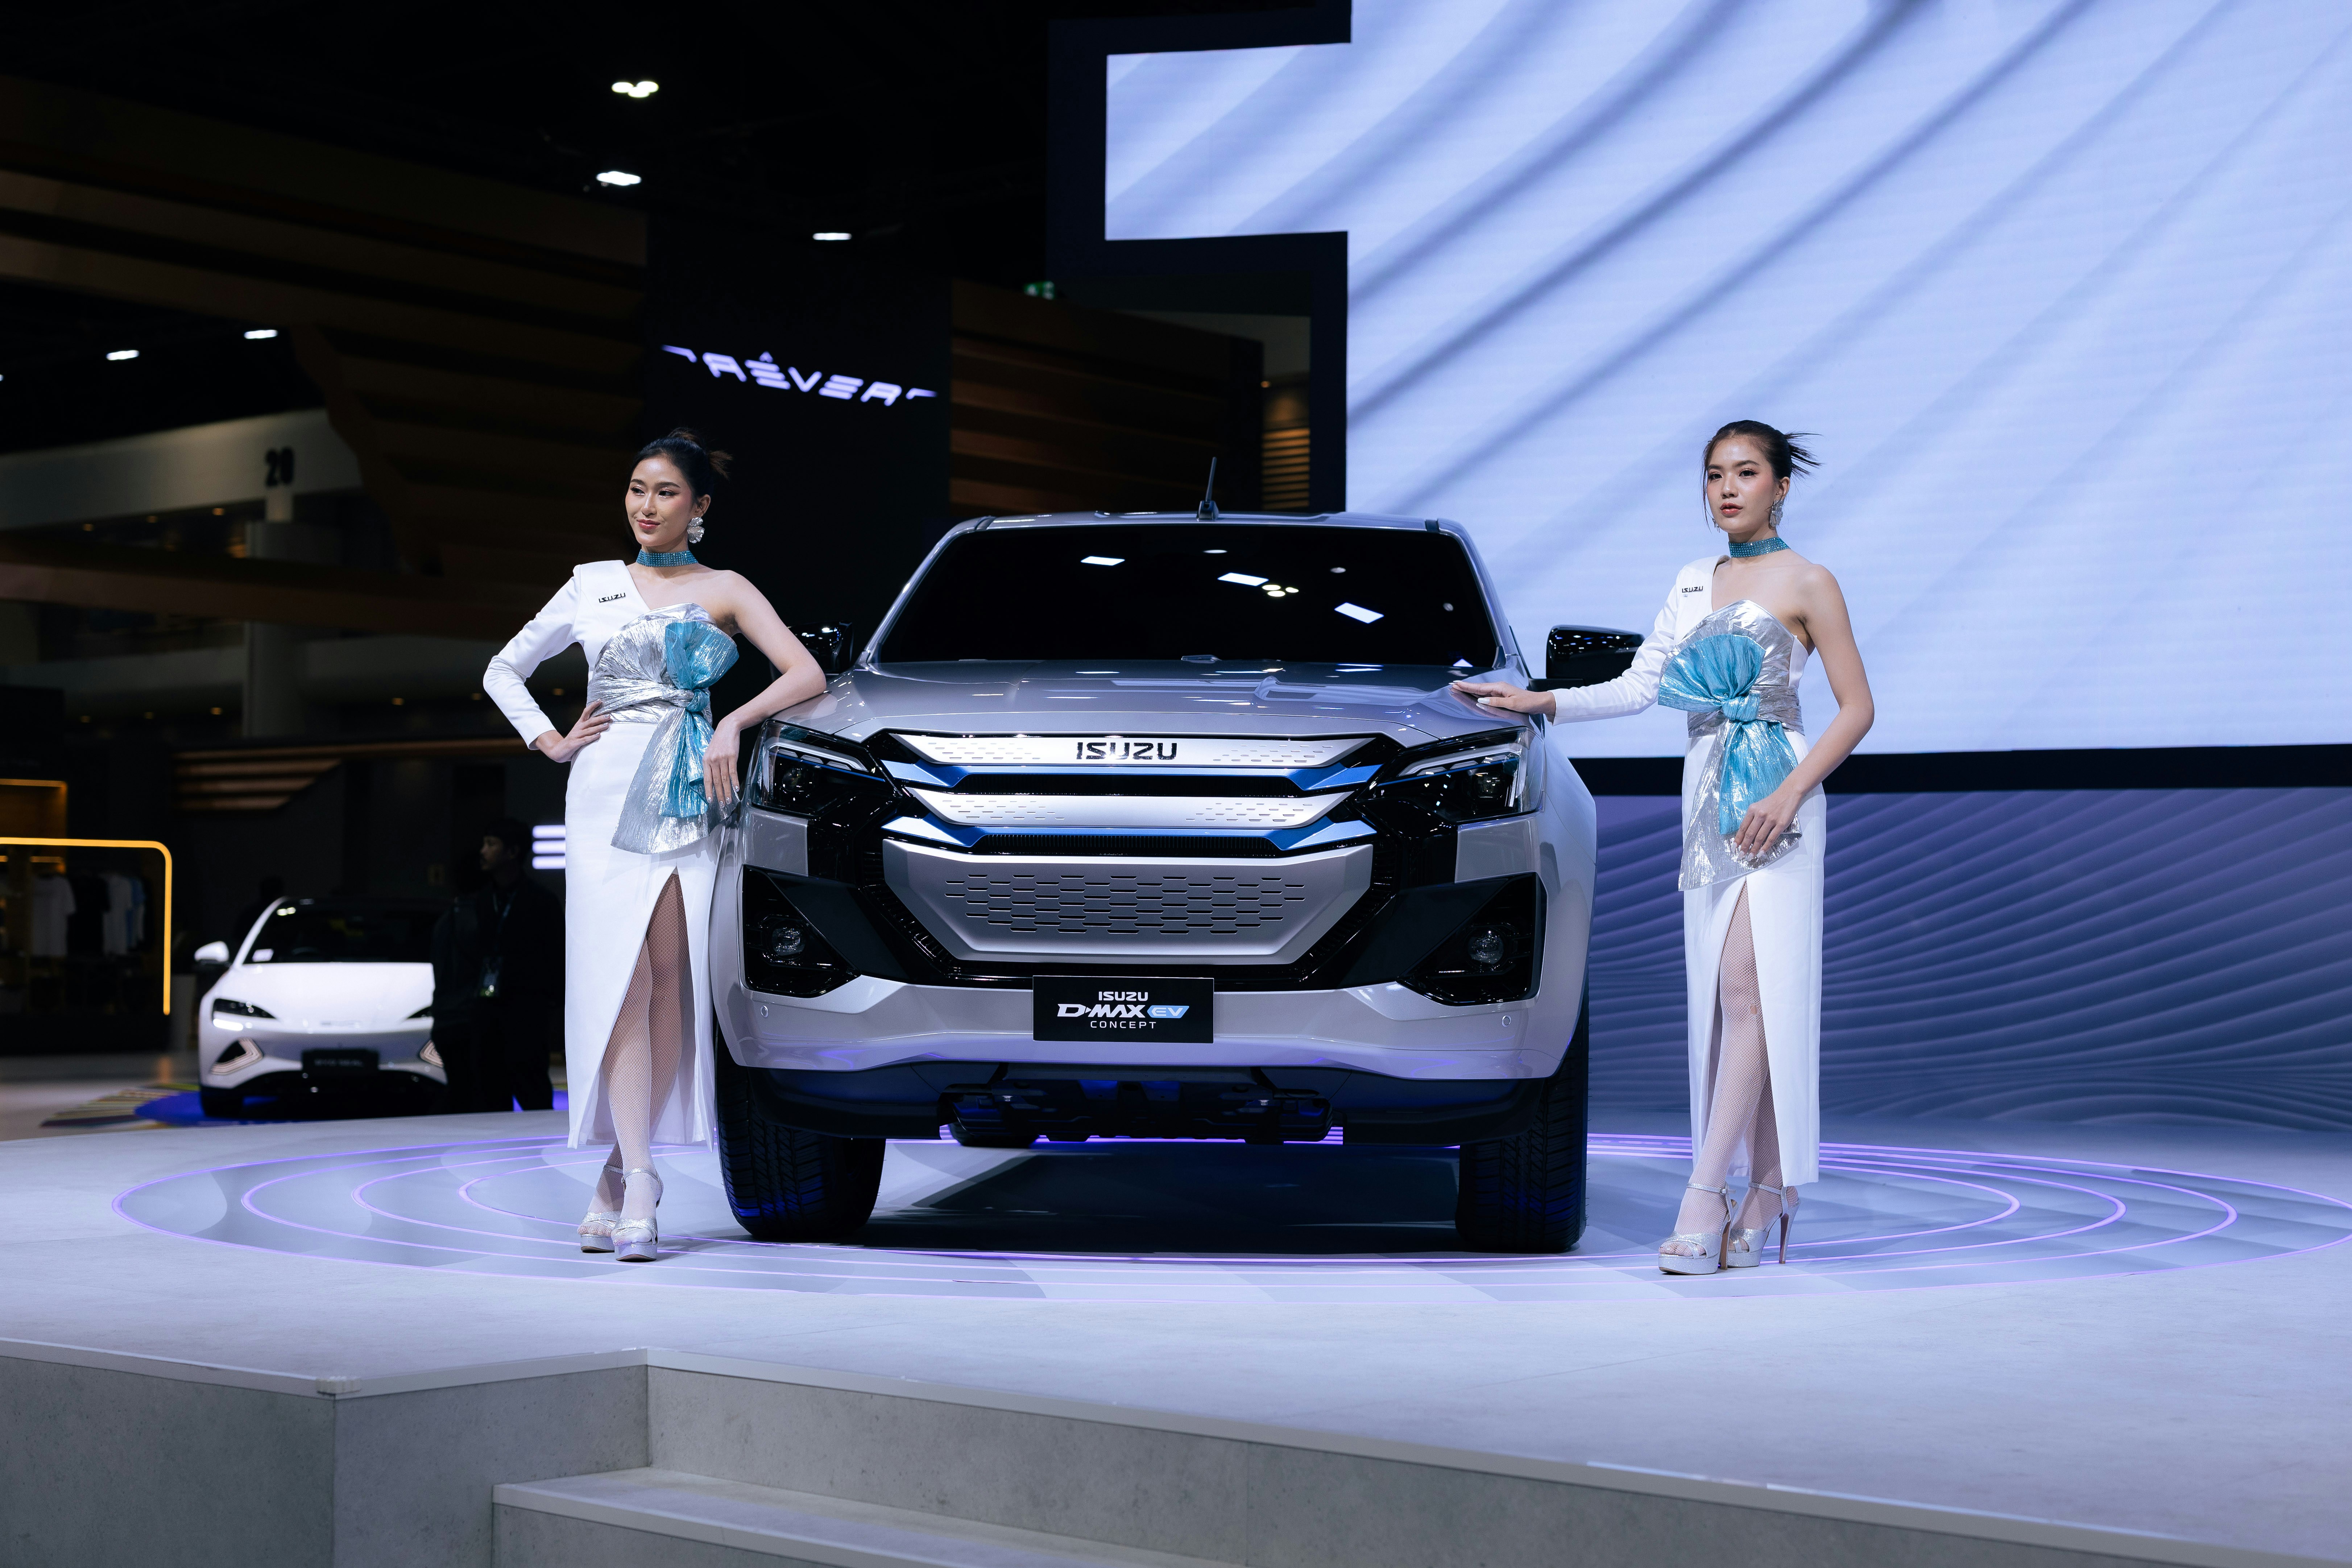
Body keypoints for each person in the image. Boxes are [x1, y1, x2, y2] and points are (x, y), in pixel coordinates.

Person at [1454, 420, 1875, 1275]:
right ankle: (1763, 1192)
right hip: (1705, 790)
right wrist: (1535, 701)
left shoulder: (1808, 579)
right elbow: (1640, 686)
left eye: (1746, 473)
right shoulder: (1691, 582)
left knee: (1751, 988)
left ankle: (1705, 1192)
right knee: (1730, 998)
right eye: (1714, 474)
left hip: (1777, 791)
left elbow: (1856, 707)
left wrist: (1788, 792)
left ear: (1780, 485)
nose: (1727, 488)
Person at [481, 429, 828, 1261]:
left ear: (698, 507)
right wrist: (550, 740)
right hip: (602, 794)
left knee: (668, 982)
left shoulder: (725, 588)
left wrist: (733, 724)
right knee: (624, 978)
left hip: (684, 794)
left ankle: (617, 1163)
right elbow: (502, 667)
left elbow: (805, 673)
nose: (645, 505)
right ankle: (640, 1172)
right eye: (636, 488)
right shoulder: (591, 586)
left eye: (665, 492)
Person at [428, 819, 563, 1113]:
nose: (484, 851)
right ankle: (497, 1154)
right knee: (490, 1087)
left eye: (491, 844)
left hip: (526, 1009)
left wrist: (549, 1003)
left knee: (531, 1084)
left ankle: (540, 1146)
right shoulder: (481, 901)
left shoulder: (541, 902)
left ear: (512, 852)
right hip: (487, 1010)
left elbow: (555, 957)